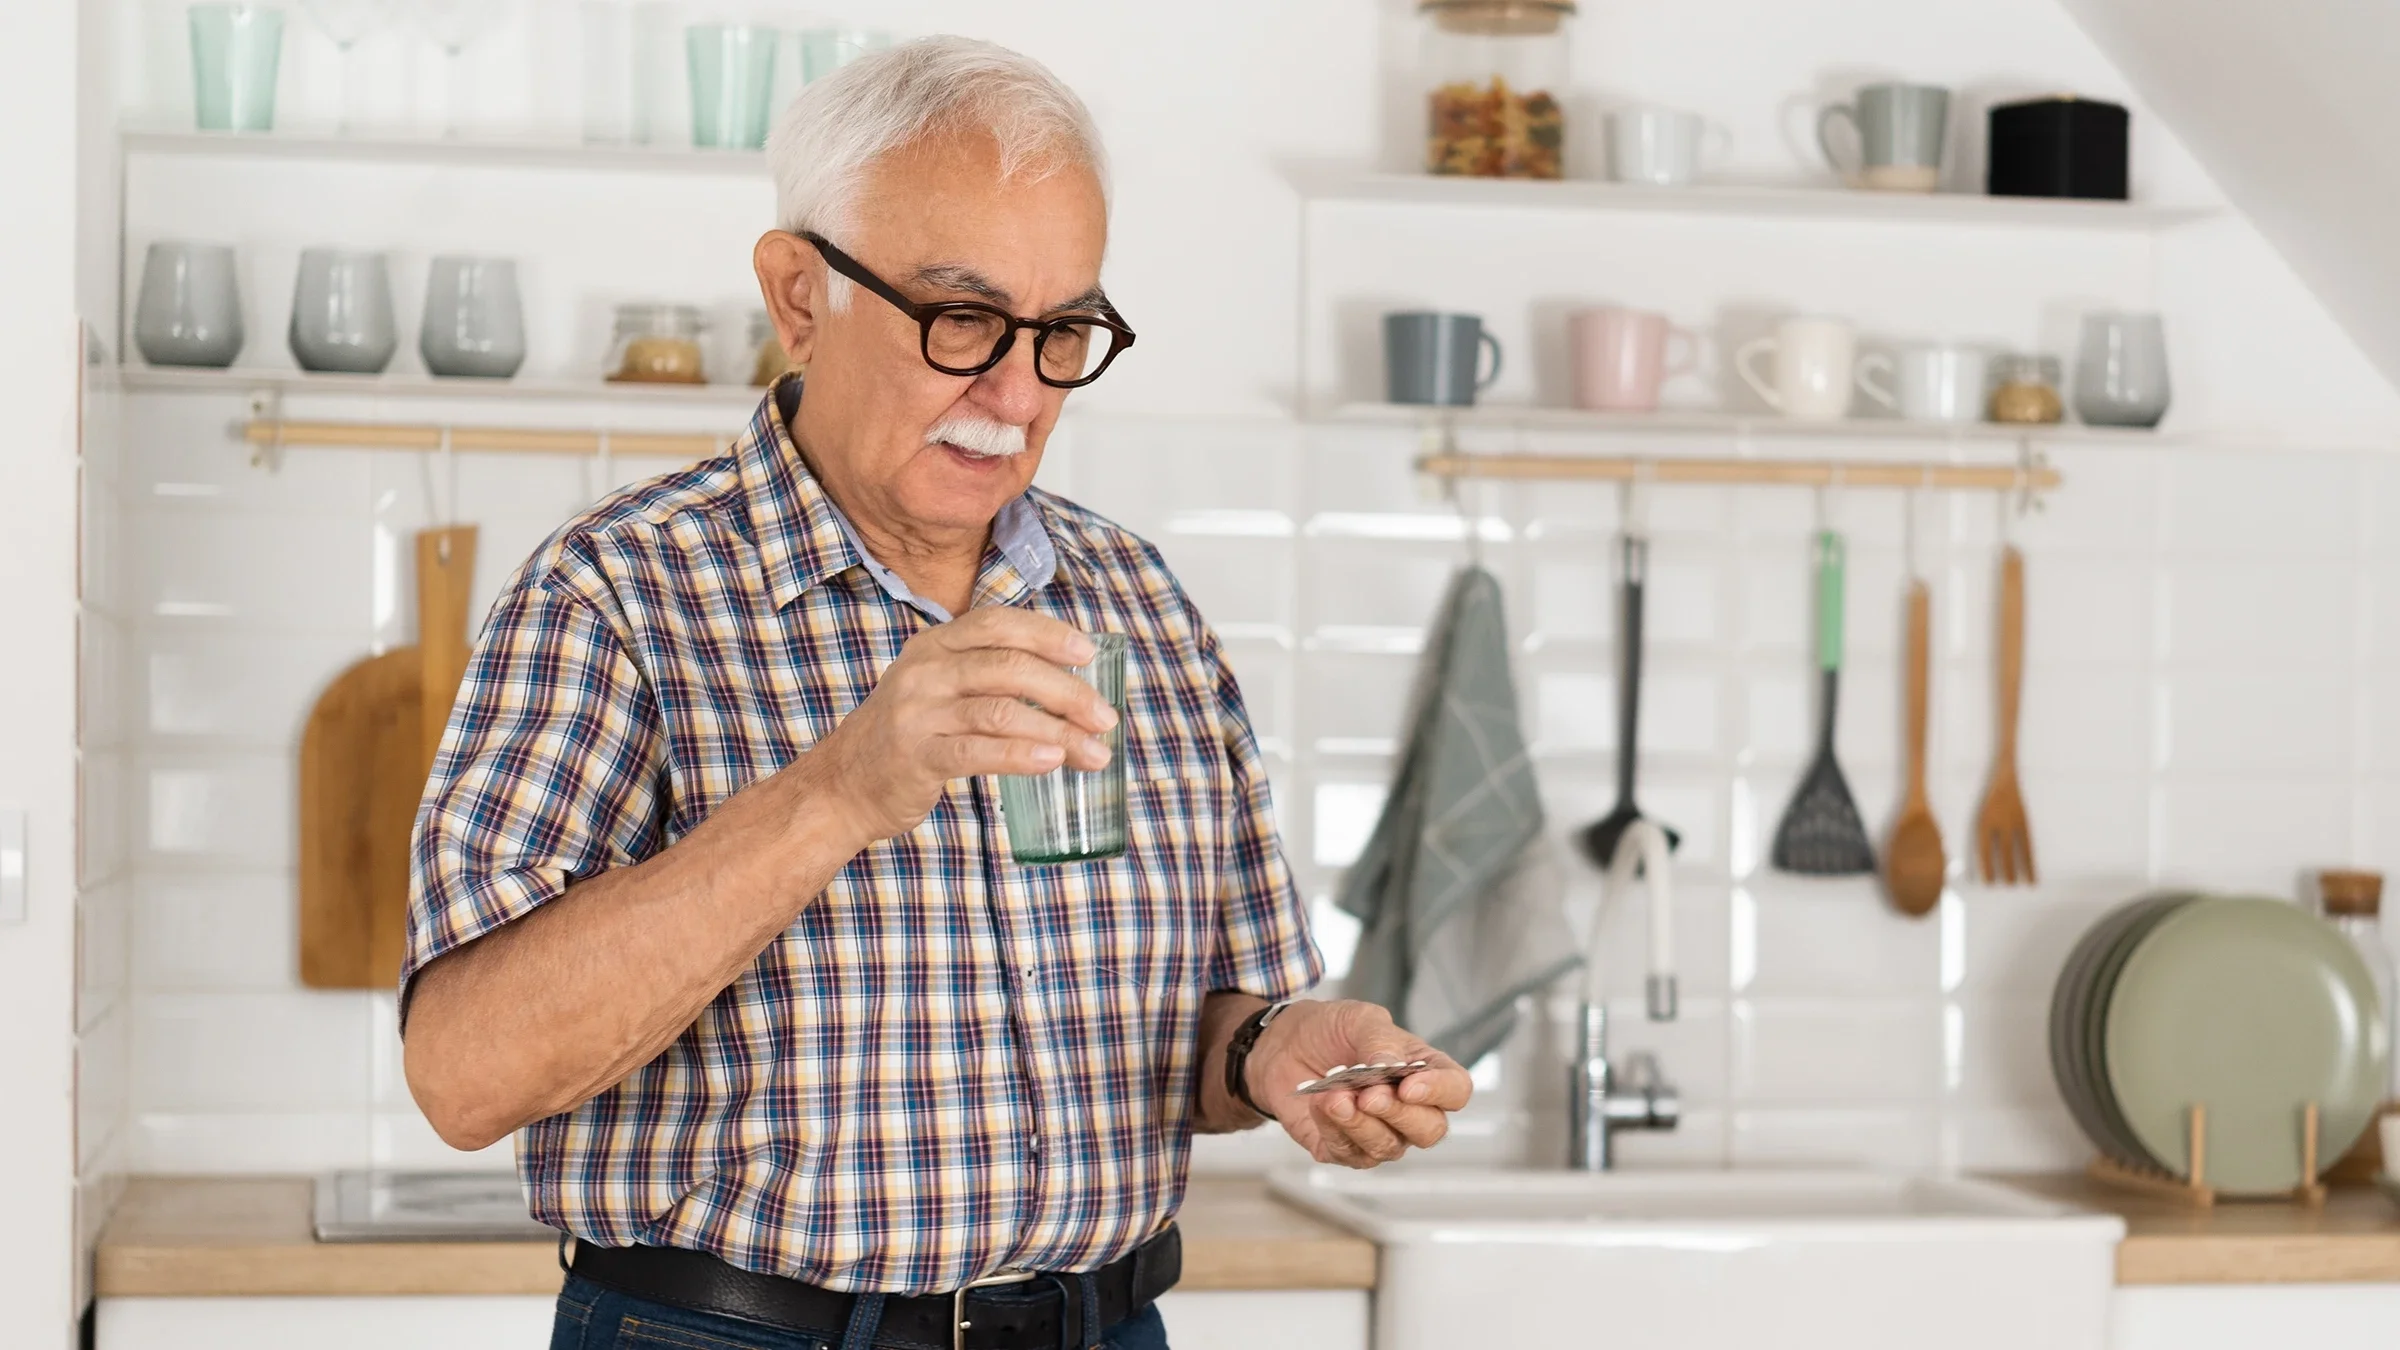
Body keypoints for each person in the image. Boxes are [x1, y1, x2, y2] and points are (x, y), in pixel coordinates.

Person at [399, 35, 1473, 1350]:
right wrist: (838, 789)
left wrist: (1277, 1051)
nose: (1016, 394)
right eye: (961, 319)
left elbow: (1208, 1017)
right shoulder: (618, 594)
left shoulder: (1136, 603)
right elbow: (462, 1073)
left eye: (1064, 329)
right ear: (799, 294)